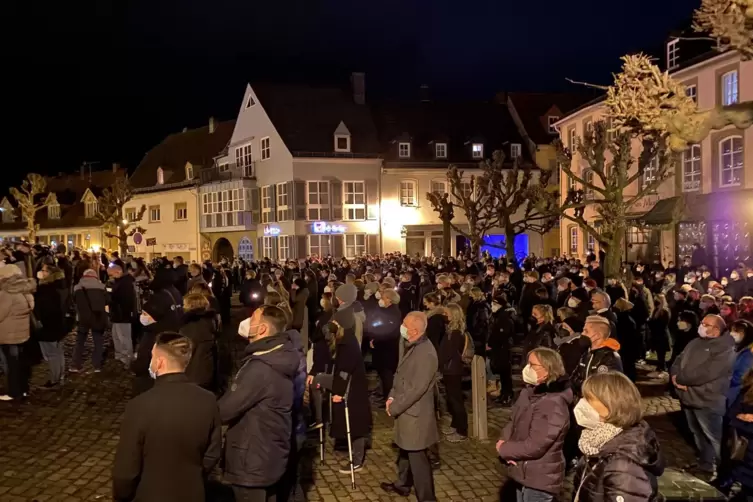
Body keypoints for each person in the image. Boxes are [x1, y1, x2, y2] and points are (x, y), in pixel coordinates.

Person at [112, 332, 221, 502]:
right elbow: (212, 453)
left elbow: (126, 467)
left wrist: (122, 495)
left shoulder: (139, 405)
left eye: (152, 356)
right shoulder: (208, 400)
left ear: (160, 362)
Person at [219, 305, 300, 501]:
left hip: (253, 461)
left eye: (252, 318)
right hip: (269, 454)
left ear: (262, 329)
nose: (247, 322)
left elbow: (225, 410)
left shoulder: (260, 368)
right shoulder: (277, 356)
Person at [573, 372, 664, 501]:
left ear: (612, 404)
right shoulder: (597, 440)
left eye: (588, 399)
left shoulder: (623, 464)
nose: (582, 404)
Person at [496, 348, 572, 502]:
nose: (526, 369)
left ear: (547, 370)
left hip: (539, 477)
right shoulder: (529, 392)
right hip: (522, 469)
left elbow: (537, 444)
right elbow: (513, 421)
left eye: (532, 365)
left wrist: (505, 449)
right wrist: (505, 440)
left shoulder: (553, 403)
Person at [381, 311, 439, 502]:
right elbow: (400, 376)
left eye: (405, 324)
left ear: (414, 330)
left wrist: (395, 406)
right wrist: (391, 396)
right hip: (406, 412)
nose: (402, 327)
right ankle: (403, 484)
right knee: (405, 450)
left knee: (418, 459)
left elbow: (416, 389)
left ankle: (427, 498)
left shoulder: (426, 354)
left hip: (415, 415)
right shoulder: (411, 345)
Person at [671, 314, 736, 480]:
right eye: (701, 323)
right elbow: (678, 359)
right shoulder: (695, 342)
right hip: (689, 397)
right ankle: (705, 464)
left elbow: (708, 372)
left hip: (708, 400)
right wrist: (674, 375)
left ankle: (723, 474)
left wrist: (682, 379)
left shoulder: (725, 348)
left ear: (716, 329)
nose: (701, 325)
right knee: (698, 434)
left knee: (714, 438)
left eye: (705, 324)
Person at [309, 309, 372, 473]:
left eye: (335, 322)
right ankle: (319, 417)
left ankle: (357, 460)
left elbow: (345, 371)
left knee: (355, 424)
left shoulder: (348, 344)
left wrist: (339, 392)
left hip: (352, 388)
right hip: (343, 381)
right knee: (318, 379)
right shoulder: (343, 339)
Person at [0, 264, 36, 401]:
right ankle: (23, 389)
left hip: (8, 335)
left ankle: (13, 392)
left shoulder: (7, 294)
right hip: (22, 333)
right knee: (20, 364)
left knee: (11, 365)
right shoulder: (24, 291)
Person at [33, 264, 69, 389]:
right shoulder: (60, 287)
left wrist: (40, 321)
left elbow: (45, 310)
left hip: (48, 326)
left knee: (52, 354)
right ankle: (60, 377)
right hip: (59, 325)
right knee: (58, 353)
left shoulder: (46, 290)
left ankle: (55, 379)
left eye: (43, 270)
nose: (41, 272)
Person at [572, 315, 623, 395]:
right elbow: (573, 379)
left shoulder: (610, 357)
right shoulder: (586, 354)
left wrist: (582, 385)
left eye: (586, 331)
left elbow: (601, 388)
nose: (582, 334)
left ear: (597, 335)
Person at [440, 303, 469, 442]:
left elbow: (448, 352)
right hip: (450, 368)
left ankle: (462, 430)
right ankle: (455, 424)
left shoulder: (456, 333)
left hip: (453, 369)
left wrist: (439, 362)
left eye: (447, 313)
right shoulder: (451, 330)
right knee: (452, 399)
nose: (445, 315)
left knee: (456, 400)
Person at [71, 268, 109, 373]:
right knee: (98, 341)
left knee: (80, 341)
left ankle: (75, 365)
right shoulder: (102, 287)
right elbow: (107, 300)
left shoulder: (77, 287)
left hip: (83, 318)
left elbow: (73, 300)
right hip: (98, 317)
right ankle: (97, 365)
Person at [178, 294, 217, 390]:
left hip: (193, 375)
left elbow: (183, 352)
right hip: (207, 372)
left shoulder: (190, 327)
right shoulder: (209, 322)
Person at [108, 262, 138, 369]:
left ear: (118, 271)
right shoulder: (120, 281)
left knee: (124, 337)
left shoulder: (125, 283)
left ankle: (127, 359)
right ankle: (120, 355)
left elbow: (126, 301)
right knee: (116, 336)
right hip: (117, 314)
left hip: (123, 315)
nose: (111, 277)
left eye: (112, 274)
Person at [727, 320, 753, 407]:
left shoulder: (748, 354)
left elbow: (741, 378)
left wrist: (722, 378)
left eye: (736, 331)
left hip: (734, 394)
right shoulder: (737, 348)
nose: (732, 333)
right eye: (732, 330)